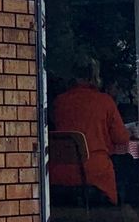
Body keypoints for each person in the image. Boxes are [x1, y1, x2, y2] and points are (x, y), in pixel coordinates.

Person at [50, 57, 131, 205]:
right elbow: (121, 138)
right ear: (95, 76)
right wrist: (130, 132)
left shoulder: (59, 101)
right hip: (93, 173)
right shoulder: (105, 101)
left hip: (59, 171)